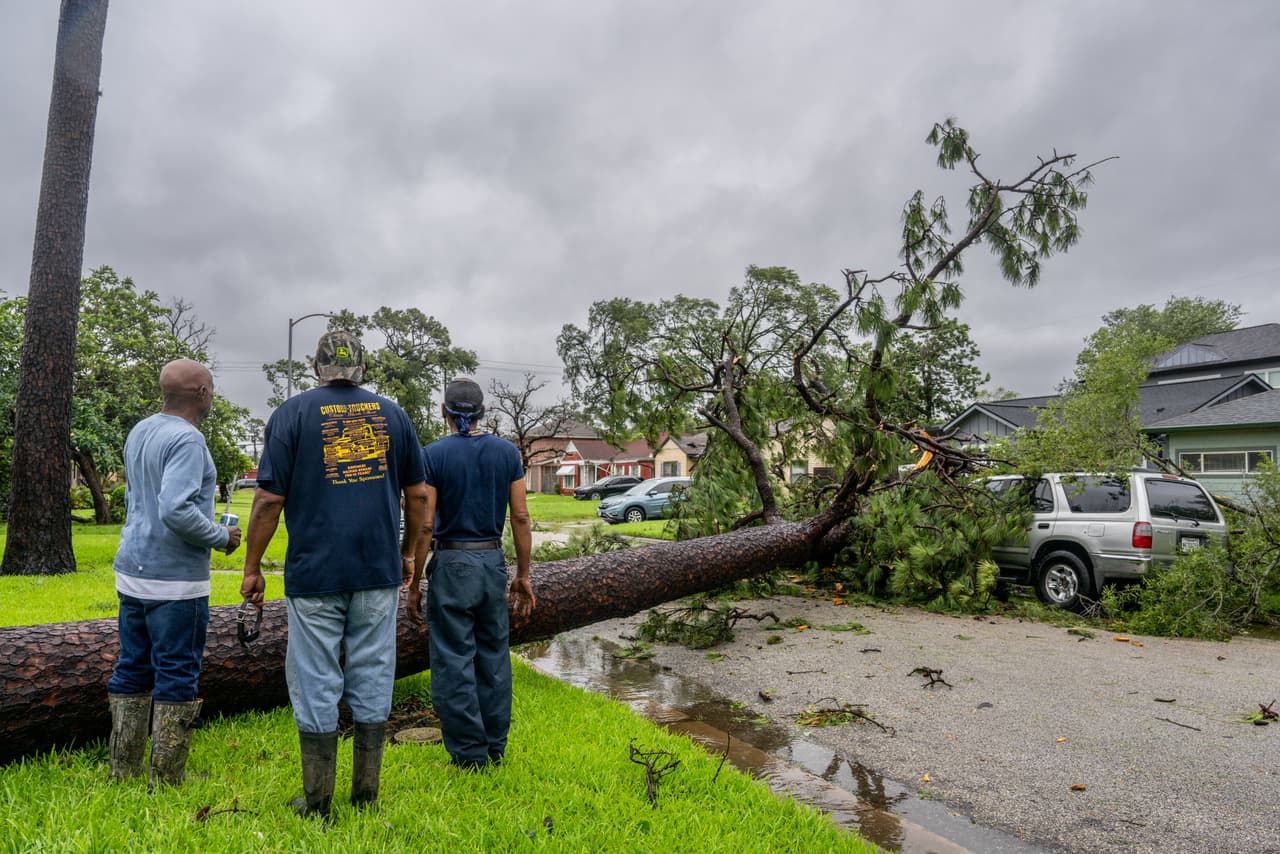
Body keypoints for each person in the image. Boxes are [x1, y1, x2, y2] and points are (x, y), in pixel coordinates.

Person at [240, 331, 427, 819]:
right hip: (377, 569)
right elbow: (419, 496)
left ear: (315, 367)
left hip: (314, 572)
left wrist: (252, 567)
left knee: (315, 675)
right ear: (363, 367)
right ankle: (365, 796)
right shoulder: (394, 415)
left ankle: (317, 802)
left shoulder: (291, 414)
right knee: (374, 671)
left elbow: (268, 500)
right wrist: (407, 554)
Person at [107, 359, 242, 787]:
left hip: (132, 569)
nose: (213, 394)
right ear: (201, 392)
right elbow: (175, 510)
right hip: (175, 581)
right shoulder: (188, 440)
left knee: (132, 666)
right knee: (178, 671)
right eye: (211, 387)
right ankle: (166, 778)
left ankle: (123, 771)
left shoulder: (141, 430)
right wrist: (221, 536)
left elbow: (138, 499)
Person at [405, 377, 535, 770]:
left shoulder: (433, 455)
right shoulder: (507, 453)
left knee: (453, 659)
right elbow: (521, 517)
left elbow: (426, 525)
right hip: (492, 562)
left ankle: (468, 754)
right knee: (494, 655)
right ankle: (494, 746)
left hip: (453, 563)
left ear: (444, 411)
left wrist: (415, 580)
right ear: (482, 412)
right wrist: (523, 574)